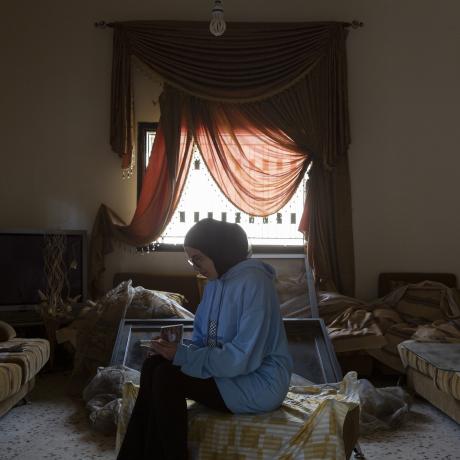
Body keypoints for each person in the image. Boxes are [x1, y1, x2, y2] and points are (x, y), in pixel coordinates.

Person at [117, 218, 293, 460]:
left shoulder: (255, 283)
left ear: (219, 252)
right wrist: (172, 348)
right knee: (154, 365)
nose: (195, 266)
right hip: (228, 374)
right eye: (192, 260)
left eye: (198, 258)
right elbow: (202, 340)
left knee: (167, 377)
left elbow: (243, 358)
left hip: (258, 382)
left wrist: (182, 356)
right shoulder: (214, 284)